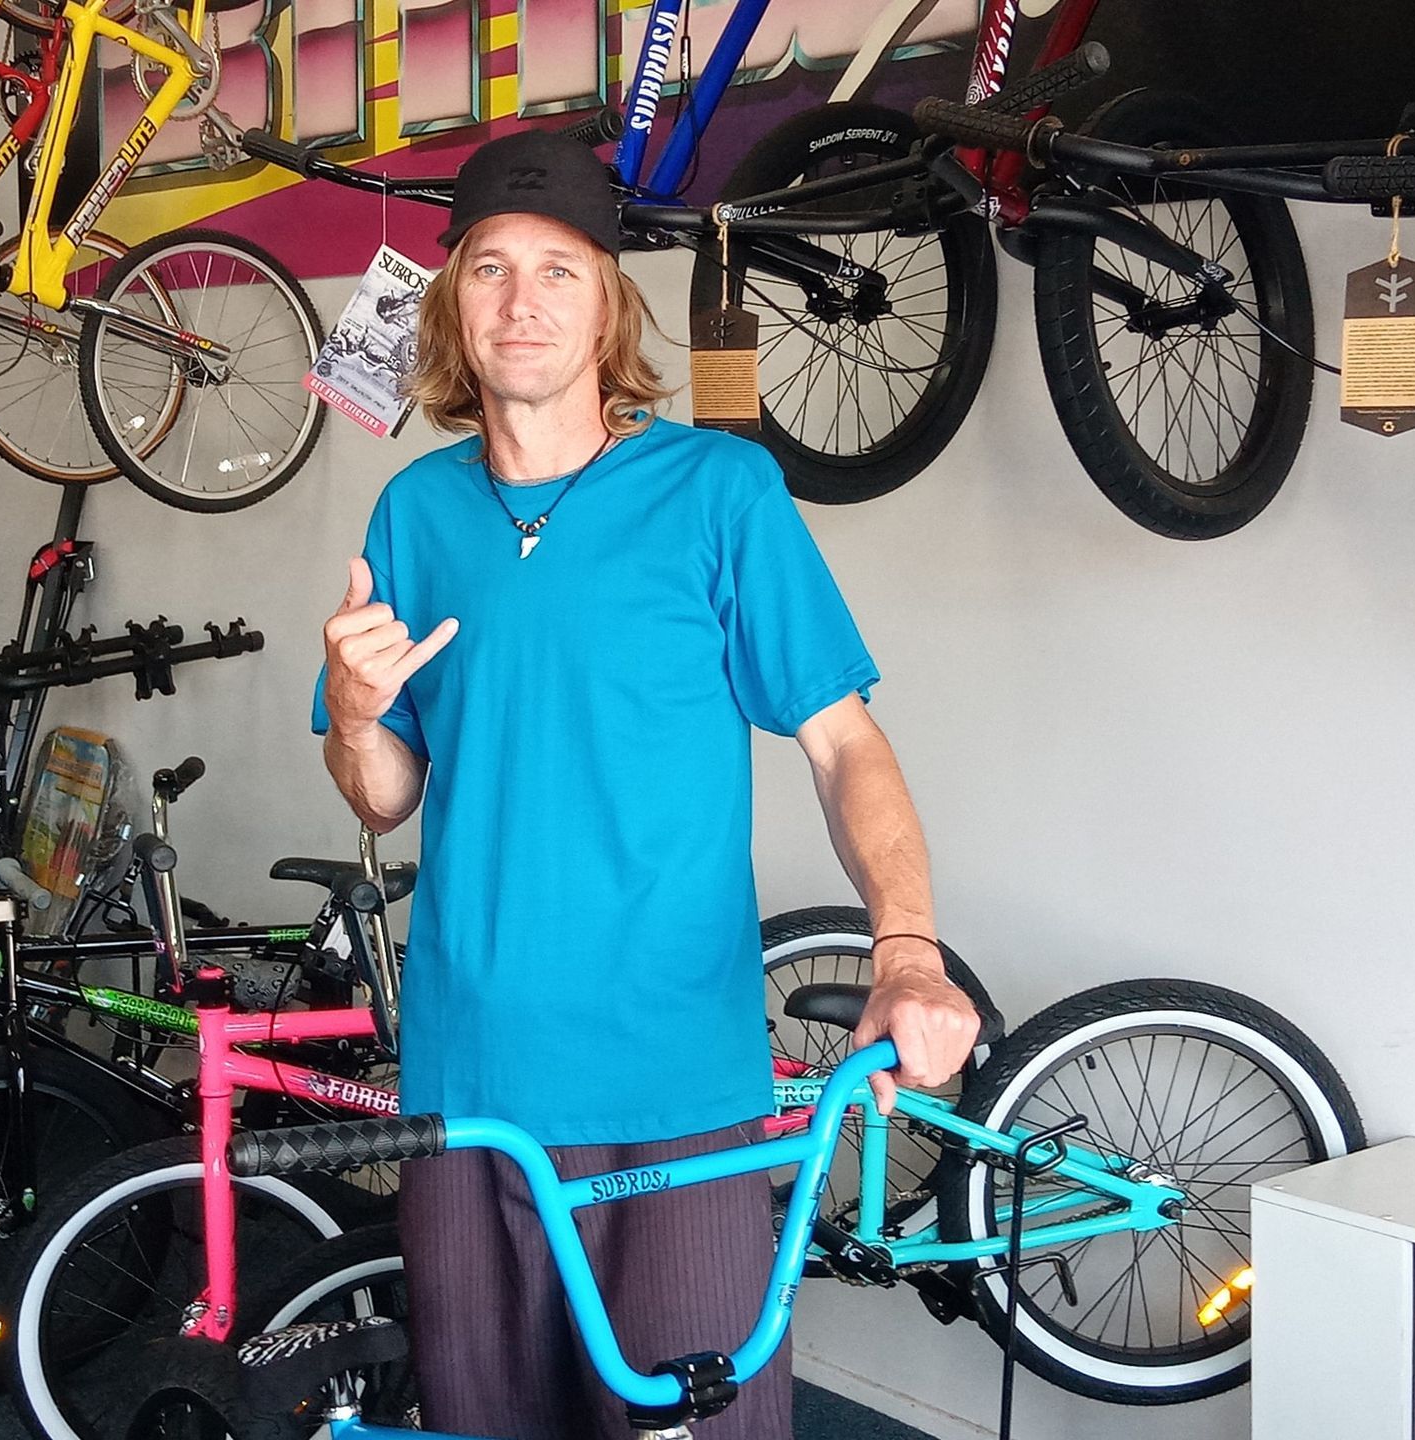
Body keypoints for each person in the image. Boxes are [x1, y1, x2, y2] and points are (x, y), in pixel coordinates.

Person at [312, 127, 980, 1439]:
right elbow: (380, 795)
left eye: (560, 270)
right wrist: (351, 709)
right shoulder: (413, 513)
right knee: (485, 1422)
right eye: (491, 267)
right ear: (451, 300)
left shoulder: (719, 492)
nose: (522, 301)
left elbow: (845, 744)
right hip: (467, 1078)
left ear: (609, 302)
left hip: (671, 1083)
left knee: (692, 1424)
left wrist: (907, 950)